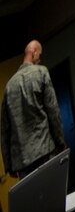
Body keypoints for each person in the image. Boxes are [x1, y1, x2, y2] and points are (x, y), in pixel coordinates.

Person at [1, 40, 64, 179]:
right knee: (54, 195)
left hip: (23, 164)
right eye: (39, 55)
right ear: (34, 52)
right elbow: (53, 111)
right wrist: (60, 142)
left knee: (33, 200)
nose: (39, 59)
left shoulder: (9, 87)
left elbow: (4, 131)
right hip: (45, 152)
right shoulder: (41, 72)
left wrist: (8, 165)